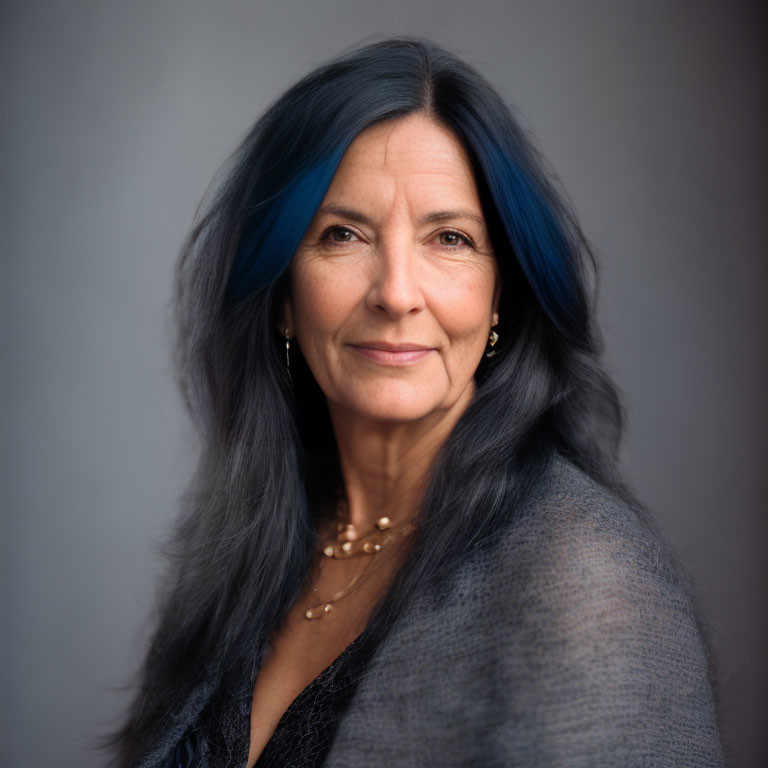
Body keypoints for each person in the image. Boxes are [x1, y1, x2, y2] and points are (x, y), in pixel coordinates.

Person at [108, 38, 726, 767]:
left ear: (504, 297)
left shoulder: (588, 585)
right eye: (343, 235)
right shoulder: (251, 550)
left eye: (450, 239)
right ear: (281, 294)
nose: (397, 292)